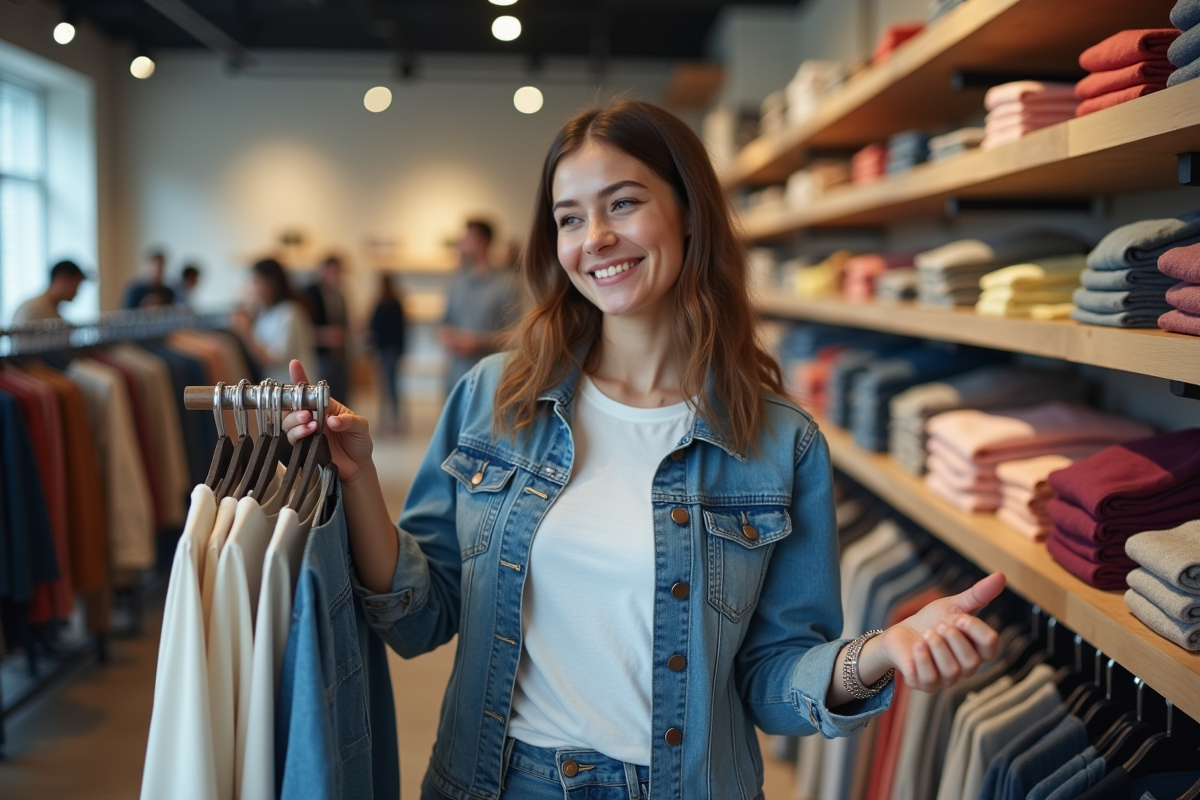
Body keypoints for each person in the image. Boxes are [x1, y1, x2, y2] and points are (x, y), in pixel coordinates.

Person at [283, 100, 1005, 800]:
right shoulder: (494, 397)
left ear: (688, 212)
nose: (593, 236)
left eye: (623, 203)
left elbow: (771, 680)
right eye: (570, 218)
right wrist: (359, 479)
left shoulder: (780, 442)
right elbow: (422, 614)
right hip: (499, 780)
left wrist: (877, 654)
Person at [439, 218, 520, 394]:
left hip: (491, 381)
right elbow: (446, 322)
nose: (462, 244)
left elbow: (516, 334)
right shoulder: (456, 281)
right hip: (455, 379)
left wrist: (479, 342)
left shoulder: (506, 284)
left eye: (467, 239)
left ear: (482, 242)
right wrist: (448, 336)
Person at [230, 258, 316, 384]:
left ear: (270, 282)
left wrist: (246, 333)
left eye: (256, 282)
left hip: (291, 389)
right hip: (277, 389)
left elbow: (272, 359)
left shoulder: (290, 313)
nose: (253, 288)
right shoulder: (267, 311)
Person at [303, 254, 351, 401]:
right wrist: (325, 335)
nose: (336, 275)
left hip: (339, 354)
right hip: (320, 355)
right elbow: (304, 327)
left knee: (341, 396)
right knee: (322, 397)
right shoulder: (310, 293)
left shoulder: (339, 294)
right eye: (332, 271)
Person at [369, 273, 408, 434]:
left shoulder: (380, 304)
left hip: (384, 350)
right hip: (394, 349)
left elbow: (375, 329)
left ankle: (386, 421)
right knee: (392, 386)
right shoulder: (397, 304)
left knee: (385, 387)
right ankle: (394, 421)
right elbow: (403, 330)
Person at [11, 260, 88, 324]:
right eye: (76, 285)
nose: (77, 292)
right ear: (63, 280)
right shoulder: (34, 309)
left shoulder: (50, 309)